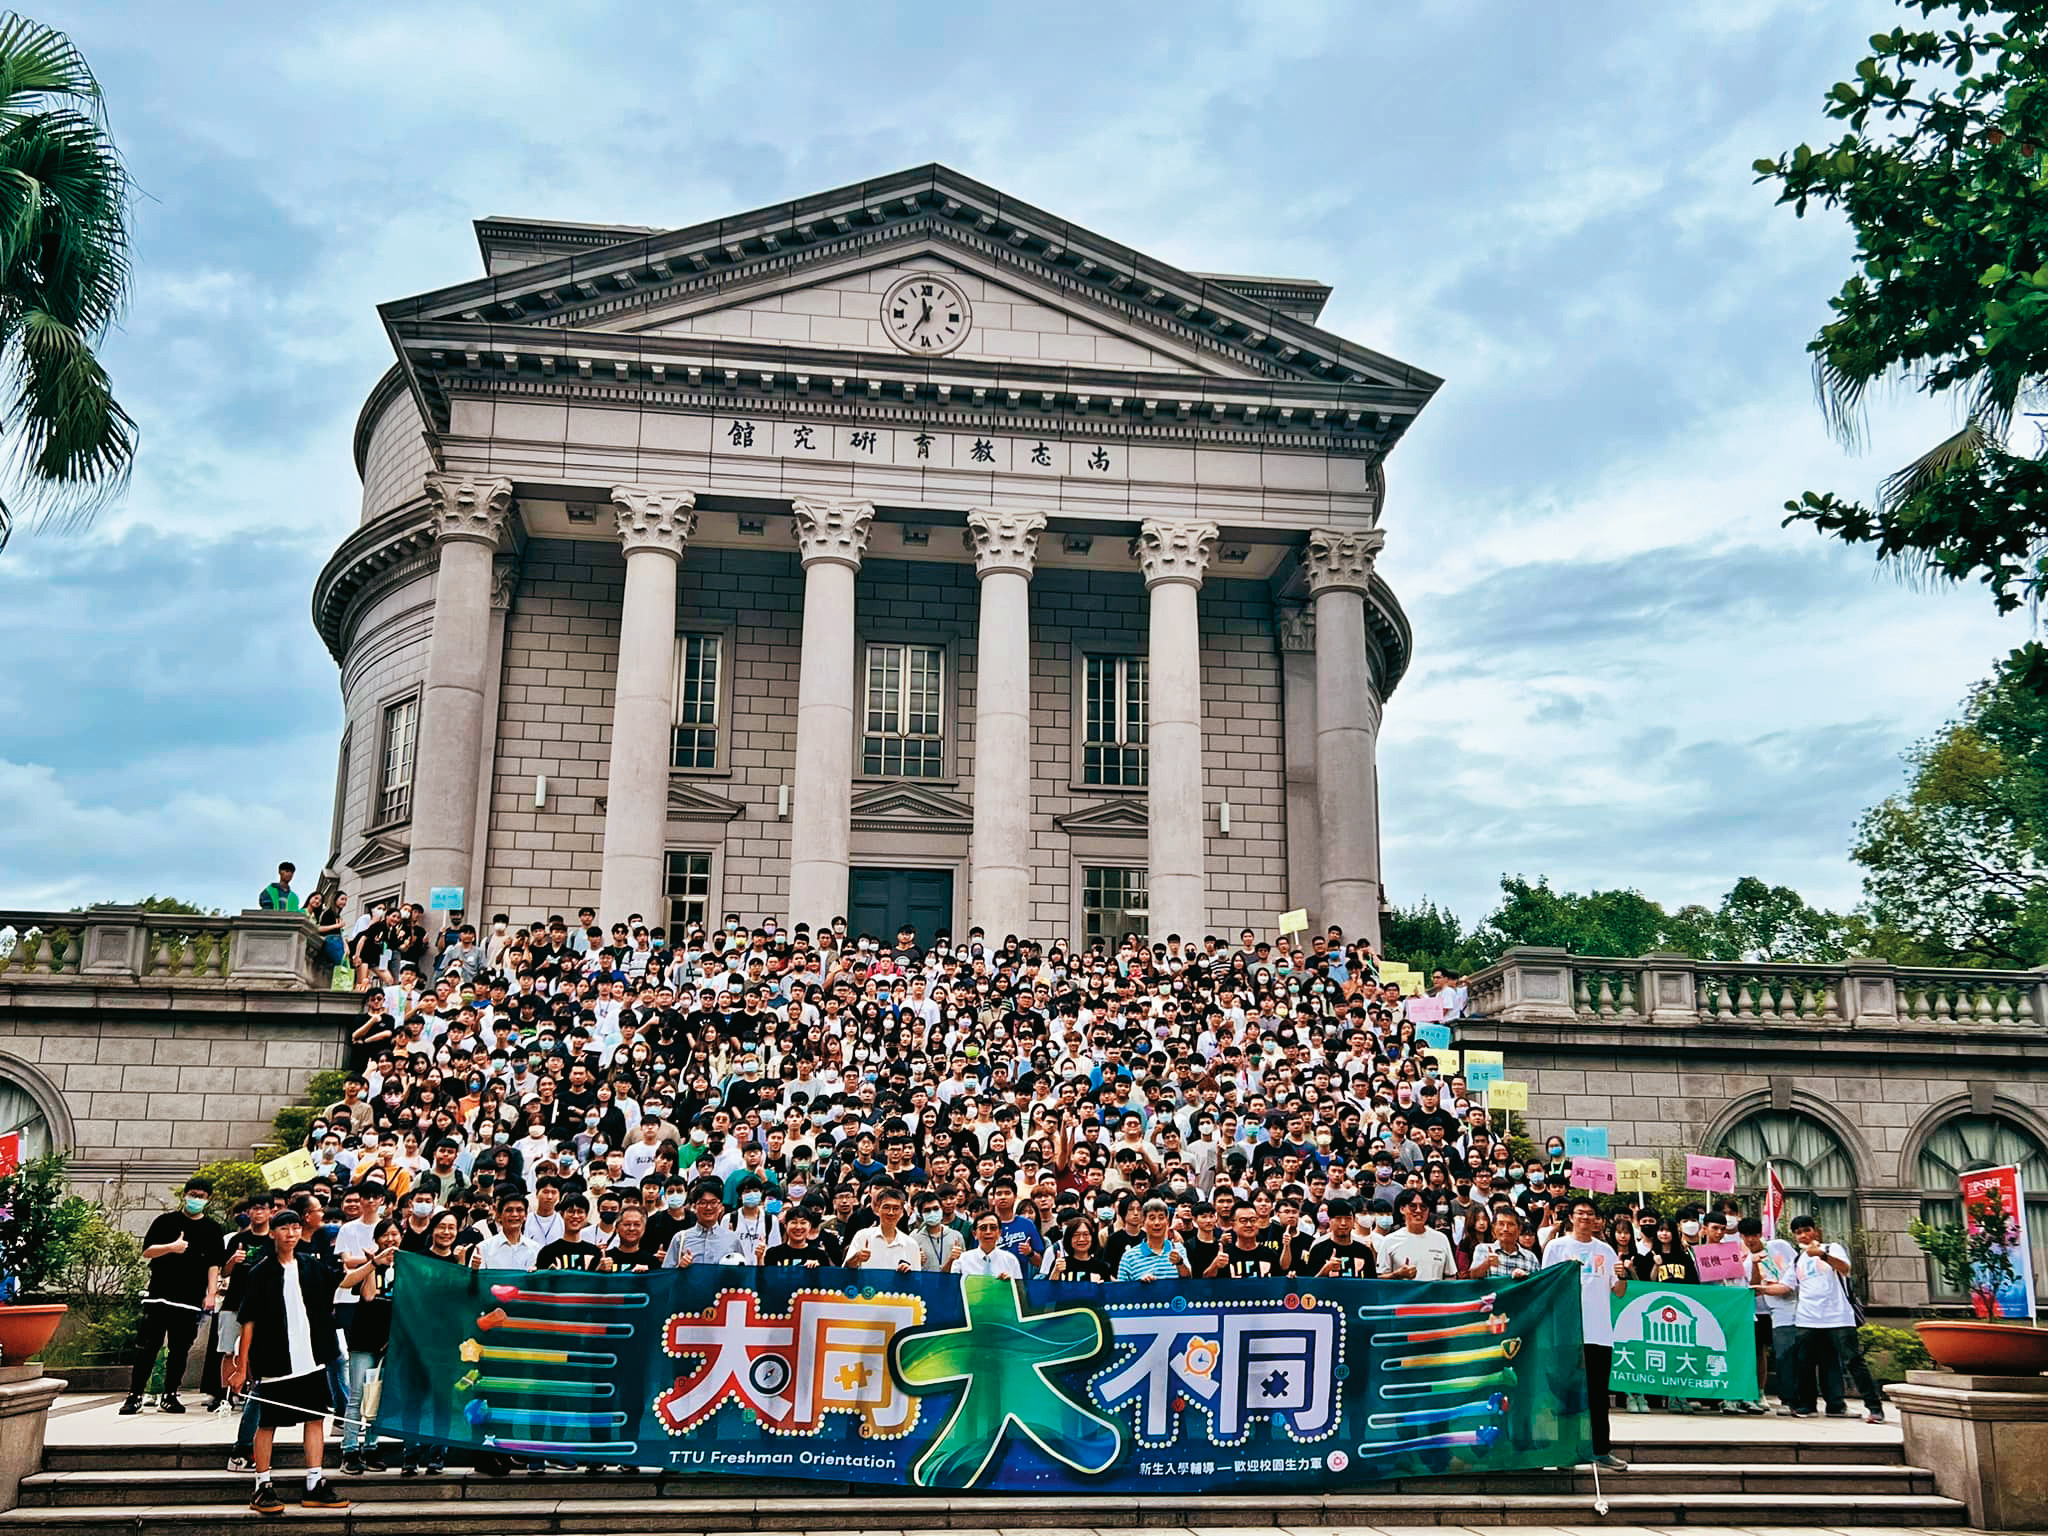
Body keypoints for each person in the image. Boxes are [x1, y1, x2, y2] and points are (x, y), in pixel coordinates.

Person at [222, 1205, 350, 1514]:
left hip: (311, 1355)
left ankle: (314, 1482)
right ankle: (262, 1485)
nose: (290, 1233)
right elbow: (248, 1320)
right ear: (273, 1233)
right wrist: (242, 1367)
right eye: (283, 1228)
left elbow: (342, 1283)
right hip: (276, 1358)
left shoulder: (310, 1265)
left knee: (315, 1418)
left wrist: (373, 1264)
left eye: (295, 1228)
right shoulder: (260, 1272)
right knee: (268, 1424)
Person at [125, 1177, 227, 1415]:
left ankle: (170, 1394)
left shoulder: (213, 1229)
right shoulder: (165, 1221)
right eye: (193, 1194)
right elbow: (148, 1251)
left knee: (180, 1349)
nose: (196, 1200)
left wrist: (210, 1294)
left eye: (201, 1196)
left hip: (190, 1297)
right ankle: (135, 1394)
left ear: (208, 1199)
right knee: (148, 1347)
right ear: (184, 1195)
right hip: (160, 1294)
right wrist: (171, 1247)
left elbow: (214, 1264)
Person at [1542, 1196, 1629, 1472]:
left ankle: (1601, 1450)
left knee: (1597, 1395)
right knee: (1565, 1393)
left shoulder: (1606, 1250)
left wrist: (1623, 1275)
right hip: (1567, 1333)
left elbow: (1619, 1291)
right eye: (1580, 1213)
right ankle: (1563, 1452)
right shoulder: (1556, 1247)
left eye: (1590, 1214)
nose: (1585, 1218)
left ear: (1597, 1220)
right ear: (1571, 1217)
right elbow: (1547, 1286)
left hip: (1599, 1333)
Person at [1788, 1213, 1885, 1423]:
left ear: (1816, 1230)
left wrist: (1821, 1255)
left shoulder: (1832, 1248)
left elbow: (1845, 1268)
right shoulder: (1798, 1259)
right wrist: (1759, 1289)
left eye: (1807, 1230)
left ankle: (1874, 1407)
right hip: (1807, 1319)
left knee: (1853, 1361)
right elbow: (1787, 1285)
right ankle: (1807, 1405)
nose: (1803, 1236)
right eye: (1798, 1233)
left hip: (1838, 1317)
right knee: (1804, 1362)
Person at [1739, 1214, 1801, 1415]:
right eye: (1746, 1236)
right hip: (1761, 1309)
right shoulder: (1747, 1261)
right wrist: (1756, 1263)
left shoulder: (1780, 1246)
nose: (1750, 1240)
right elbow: (1752, 1285)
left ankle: (1793, 1397)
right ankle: (1759, 1392)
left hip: (1793, 1307)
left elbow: (1797, 1266)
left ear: (1760, 1234)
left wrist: (1788, 1286)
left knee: (1788, 1354)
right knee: (1758, 1350)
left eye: (1754, 1235)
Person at [1377, 1190, 1456, 1281]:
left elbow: (1450, 1276)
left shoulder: (1441, 1239)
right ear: (1402, 1209)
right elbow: (1380, 1279)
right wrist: (1397, 1274)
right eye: (1412, 1206)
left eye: (1423, 1207)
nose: (1418, 1210)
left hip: (1434, 1295)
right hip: (1403, 1294)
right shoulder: (1389, 1241)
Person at [845, 1184, 924, 1272]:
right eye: (886, 1207)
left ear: (902, 1212)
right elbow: (846, 1272)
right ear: (878, 1209)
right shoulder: (862, 1236)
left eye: (895, 1208)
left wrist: (906, 1274)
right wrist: (856, 1258)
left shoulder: (911, 1244)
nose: (891, 1213)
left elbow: (917, 1282)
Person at [1115, 1198, 1191, 1283]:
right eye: (1152, 1218)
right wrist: (1139, 1285)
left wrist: (1180, 1263)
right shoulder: (1129, 1257)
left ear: (1167, 1222)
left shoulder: (1178, 1249)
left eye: (1161, 1218)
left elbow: (1188, 1280)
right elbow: (1121, 1291)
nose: (1157, 1223)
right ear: (1143, 1222)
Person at [957, 1212, 1025, 1279]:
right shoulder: (963, 1259)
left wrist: (1010, 1284)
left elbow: (1020, 1289)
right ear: (975, 1234)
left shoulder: (1010, 1260)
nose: (988, 1232)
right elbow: (953, 1287)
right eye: (983, 1228)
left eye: (993, 1228)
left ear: (999, 1233)